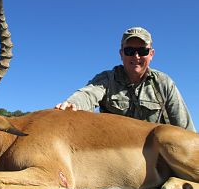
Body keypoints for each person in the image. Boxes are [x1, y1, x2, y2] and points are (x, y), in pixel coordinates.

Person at [55, 27, 196, 132]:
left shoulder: (164, 83)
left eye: (142, 51)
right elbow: (88, 94)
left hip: (156, 153)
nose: (136, 56)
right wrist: (72, 104)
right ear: (121, 54)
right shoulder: (107, 79)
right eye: (129, 51)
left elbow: (185, 128)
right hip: (117, 153)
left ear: (151, 54)